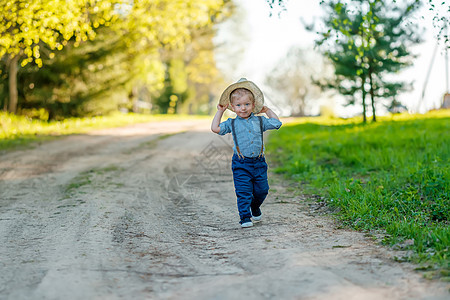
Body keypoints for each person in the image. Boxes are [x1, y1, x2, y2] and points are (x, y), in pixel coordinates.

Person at [211, 78, 282, 228]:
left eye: (247, 104)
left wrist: (268, 111)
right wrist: (220, 111)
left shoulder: (260, 121)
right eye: (239, 105)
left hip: (259, 163)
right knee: (243, 191)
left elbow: (277, 123)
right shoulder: (231, 123)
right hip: (241, 163)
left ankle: (255, 207)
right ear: (233, 107)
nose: (243, 108)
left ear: (253, 105)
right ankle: (245, 217)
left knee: (262, 190)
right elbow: (215, 128)